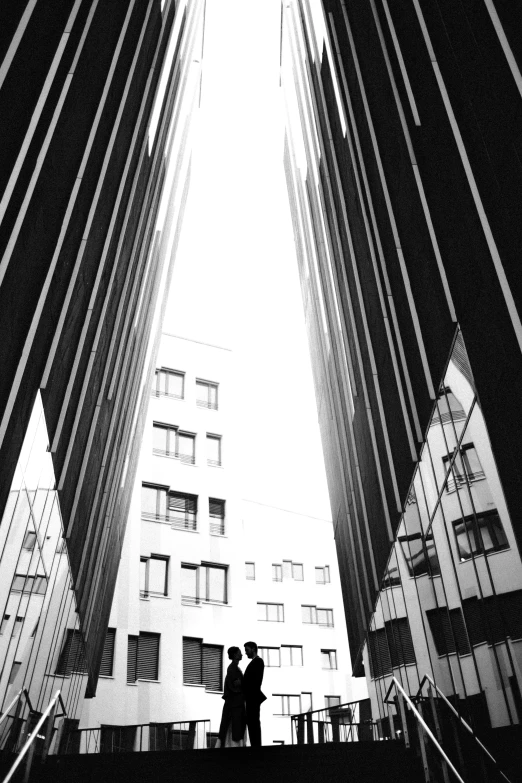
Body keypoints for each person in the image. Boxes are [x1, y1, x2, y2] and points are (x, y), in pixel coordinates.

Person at [216, 646, 247, 748]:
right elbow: (234, 685)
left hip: (235, 703)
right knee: (235, 725)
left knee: (233, 726)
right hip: (235, 703)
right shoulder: (232, 668)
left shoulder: (234, 668)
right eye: (239, 653)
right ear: (235, 655)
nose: (241, 654)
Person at [243, 641, 266, 747]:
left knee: (253, 722)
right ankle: (255, 746)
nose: (246, 653)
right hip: (252, 697)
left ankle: (256, 746)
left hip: (252, 697)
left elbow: (255, 681)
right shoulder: (256, 662)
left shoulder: (258, 662)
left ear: (253, 649)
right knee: (252, 722)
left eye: (247, 650)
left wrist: (242, 683)